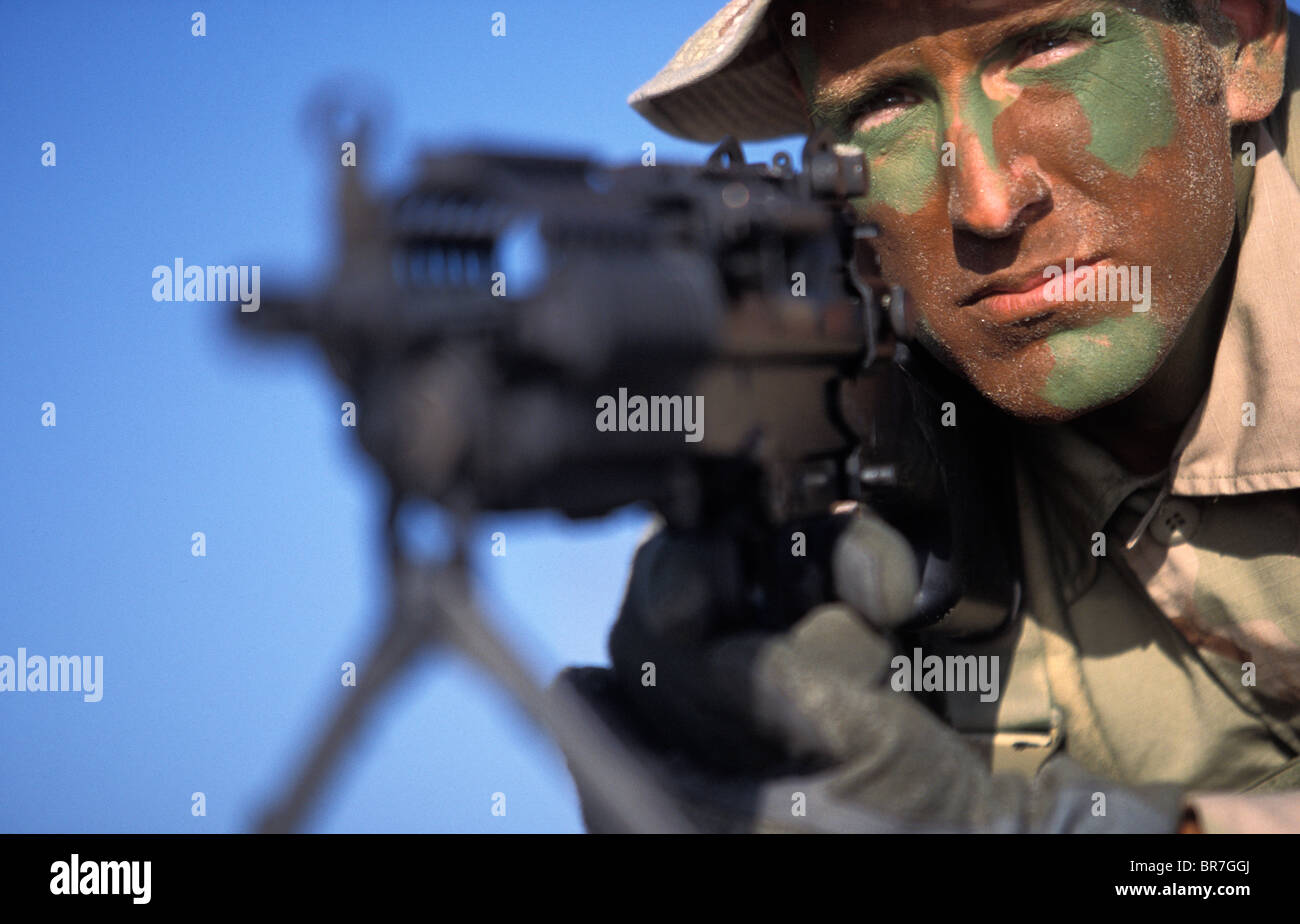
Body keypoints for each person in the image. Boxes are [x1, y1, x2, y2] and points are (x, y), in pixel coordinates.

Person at [557, 0, 1300, 833]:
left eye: (1048, 47)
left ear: (1243, 42)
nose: (985, 203)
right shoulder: (835, 401)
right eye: (884, 104)